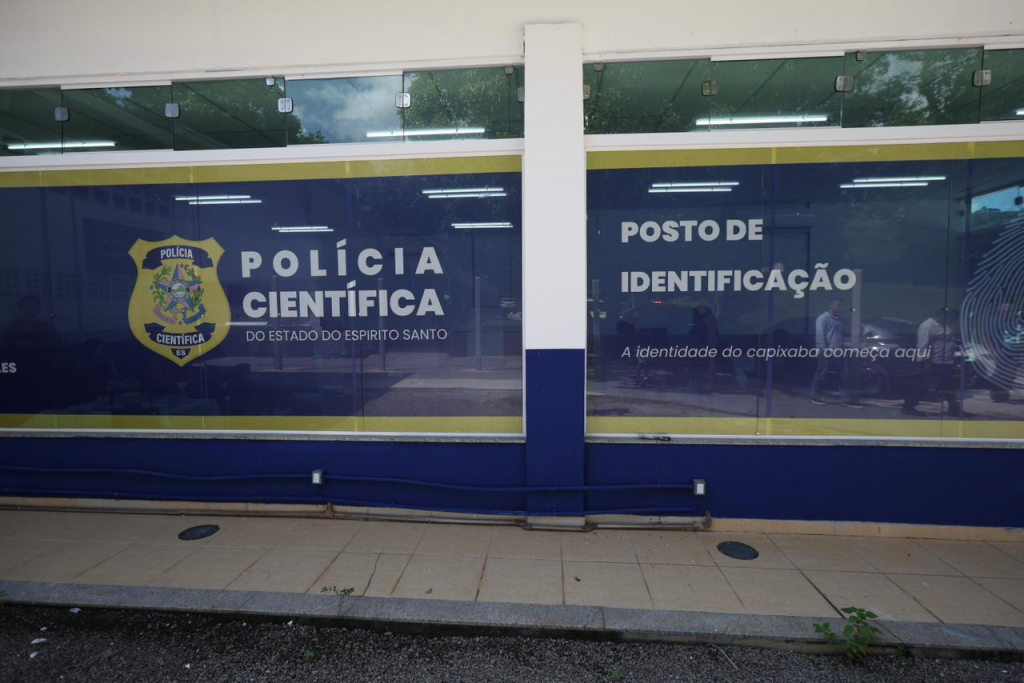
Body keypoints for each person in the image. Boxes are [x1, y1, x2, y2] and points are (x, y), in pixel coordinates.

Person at [901, 309, 967, 417]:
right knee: (922, 386)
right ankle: (908, 407)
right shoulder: (928, 326)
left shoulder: (945, 325)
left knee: (949, 387)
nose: (953, 321)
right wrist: (926, 362)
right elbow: (923, 346)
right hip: (933, 362)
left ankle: (954, 409)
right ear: (943, 315)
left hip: (946, 362)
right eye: (952, 318)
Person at [809, 298, 859, 407]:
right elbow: (820, 335)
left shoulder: (839, 320)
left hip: (840, 351)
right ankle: (813, 396)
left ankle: (846, 399)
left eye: (841, 305)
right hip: (827, 351)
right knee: (821, 374)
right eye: (838, 305)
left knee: (844, 375)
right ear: (831, 305)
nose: (840, 307)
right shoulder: (823, 318)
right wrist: (825, 350)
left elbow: (840, 335)